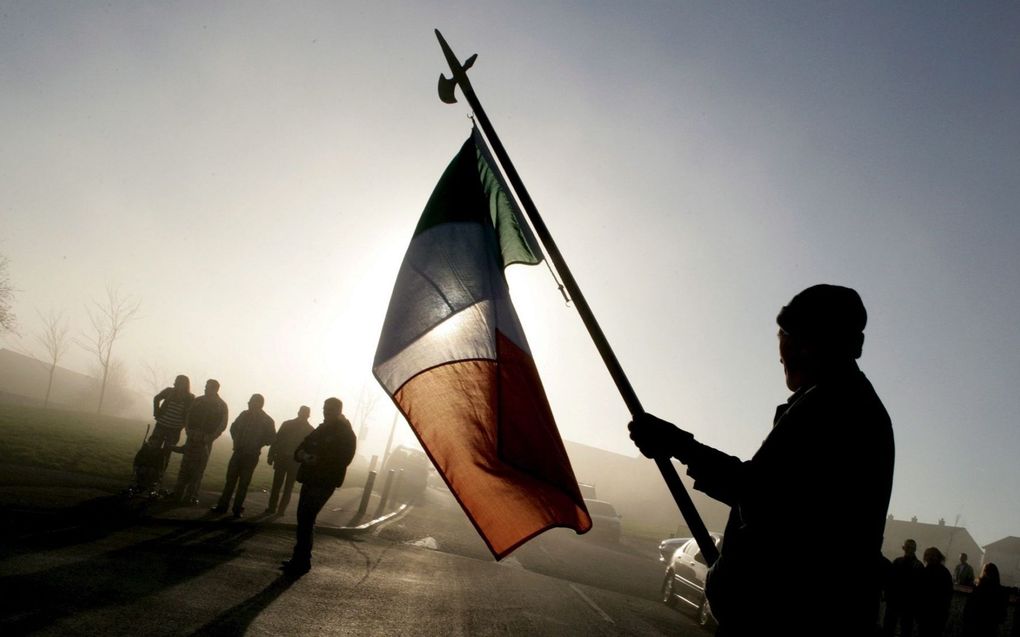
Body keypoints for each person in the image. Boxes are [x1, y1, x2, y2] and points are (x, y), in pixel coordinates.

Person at [628, 284, 894, 637]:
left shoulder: (835, 406)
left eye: (790, 338)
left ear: (818, 342)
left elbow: (763, 494)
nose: (782, 354)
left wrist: (679, 445)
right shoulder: (842, 403)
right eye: (783, 337)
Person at [281, 397, 356, 576]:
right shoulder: (323, 428)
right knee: (304, 518)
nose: (325, 412)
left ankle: (302, 561)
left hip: (324, 481)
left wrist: (317, 459)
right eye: (324, 408)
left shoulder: (345, 433)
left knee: (306, 516)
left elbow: (343, 459)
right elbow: (302, 446)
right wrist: (302, 455)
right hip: (311, 478)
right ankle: (300, 558)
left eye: (329, 409)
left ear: (338, 411)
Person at [212, 393, 276, 518]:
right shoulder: (253, 416)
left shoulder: (260, 419)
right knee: (235, 482)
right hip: (243, 452)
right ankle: (231, 508)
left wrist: (252, 443)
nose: (249, 404)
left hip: (247, 454)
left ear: (258, 403)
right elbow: (233, 428)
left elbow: (271, 438)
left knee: (239, 483)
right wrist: (240, 441)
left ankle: (227, 507)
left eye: (252, 402)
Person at [172, 379, 229, 504]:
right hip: (192, 438)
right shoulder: (198, 401)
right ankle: (177, 494)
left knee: (198, 470)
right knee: (184, 468)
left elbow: (222, 424)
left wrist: (210, 437)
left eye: (207, 387)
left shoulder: (221, 405)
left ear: (214, 389)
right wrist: (188, 431)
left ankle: (190, 496)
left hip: (205, 441)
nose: (205, 389)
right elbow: (188, 416)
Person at [265, 405, 314, 515]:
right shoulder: (310, 430)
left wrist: (271, 454)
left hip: (286, 459)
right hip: (294, 462)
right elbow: (277, 440)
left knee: (278, 485)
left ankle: (273, 508)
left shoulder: (288, 424)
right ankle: (280, 510)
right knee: (287, 487)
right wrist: (271, 454)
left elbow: (277, 440)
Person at [150, 375, 195, 483]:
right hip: (161, 425)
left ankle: (159, 475)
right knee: (153, 448)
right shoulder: (169, 391)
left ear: (184, 384)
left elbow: (191, 412)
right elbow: (157, 398)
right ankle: (149, 471)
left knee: (167, 451)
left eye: (177, 382)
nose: (175, 384)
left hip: (175, 429)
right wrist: (156, 412)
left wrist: (185, 424)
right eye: (175, 382)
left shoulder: (190, 398)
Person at [885, 539, 924, 637]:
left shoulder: (897, 561)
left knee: (890, 626)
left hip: (895, 600)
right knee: (905, 627)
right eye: (909, 547)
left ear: (903, 548)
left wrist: (888, 596)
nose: (909, 549)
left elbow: (890, 581)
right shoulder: (918, 565)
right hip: (908, 602)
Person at [963, 563, 1008, 637]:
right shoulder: (1001, 591)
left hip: (974, 625)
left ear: (984, 572)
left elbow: (968, 608)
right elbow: (1001, 614)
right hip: (990, 627)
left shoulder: (979, 588)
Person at [917, 547, 953, 637]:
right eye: (929, 555)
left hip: (935, 613)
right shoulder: (925, 571)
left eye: (933, 555)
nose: (931, 557)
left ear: (938, 557)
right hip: (929, 613)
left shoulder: (943, 573)